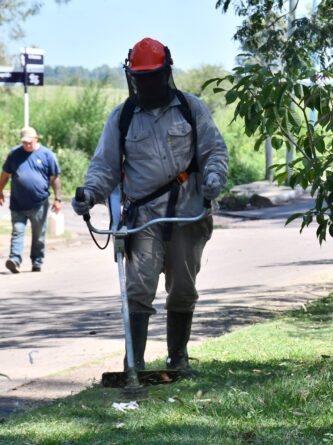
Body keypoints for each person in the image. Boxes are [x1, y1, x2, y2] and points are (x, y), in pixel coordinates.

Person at [72, 37, 229, 376]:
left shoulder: (191, 109)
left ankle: (178, 358)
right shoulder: (124, 117)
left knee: (183, 289)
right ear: (131, 77)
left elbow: (214, 151)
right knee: (138, 288)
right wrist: (90, 194)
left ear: (166, 73)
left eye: (152, 76)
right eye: (139, 77)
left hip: (187, 215)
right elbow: (105, 167)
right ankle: (135, 364)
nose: (145, 83)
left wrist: (215, 177)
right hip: (143, 220)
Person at [0, 127, 62, 273]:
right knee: (17, 231)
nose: (27, 145)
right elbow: (5, 174)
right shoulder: (14, 154)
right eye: (24, 142)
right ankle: (14, 259)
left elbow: (55, 178)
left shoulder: (47, 155)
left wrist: (58, 199)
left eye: (29, 142)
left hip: (39, 203)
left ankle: (37, 261)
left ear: (36, 139)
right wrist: (0, 190)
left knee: (38, 234)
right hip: (17, 203)